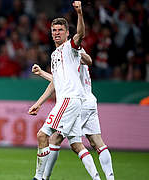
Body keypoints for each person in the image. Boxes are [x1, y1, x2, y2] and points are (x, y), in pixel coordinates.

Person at [28, 1, 101, 180]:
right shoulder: (54, 55)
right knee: (77, 145)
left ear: (67, 33)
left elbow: (81, 34)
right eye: (54, 30)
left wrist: (80, 13)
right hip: (71, 101)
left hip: (68, 100)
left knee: (42, 135)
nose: (56, 33)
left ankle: (38, 178)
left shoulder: (70, 48)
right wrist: (38, 103)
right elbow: (55, 83)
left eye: (60, 30)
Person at [30, 50, 115, 180]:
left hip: (77, 101)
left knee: (55, 139)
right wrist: (41, 73)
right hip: (90, 100)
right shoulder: (79, 52)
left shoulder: (69, 53)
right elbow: (59, 79)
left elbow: (58, 81)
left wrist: (41, 76)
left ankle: (43, 177)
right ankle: (109, 178)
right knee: (97, 142)